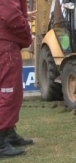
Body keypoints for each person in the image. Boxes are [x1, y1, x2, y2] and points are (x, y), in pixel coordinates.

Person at [0, 0, 36, 158]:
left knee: (7, 90)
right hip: (5, 42)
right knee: (9, 91)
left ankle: (8, 132)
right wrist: (27, 34)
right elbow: (10, 16)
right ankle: (1, 141)